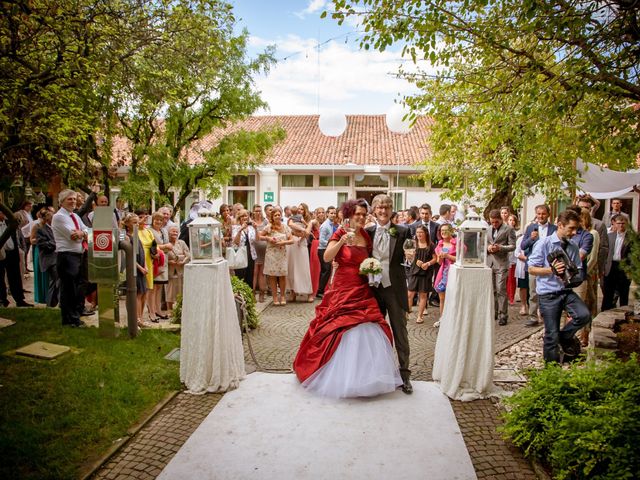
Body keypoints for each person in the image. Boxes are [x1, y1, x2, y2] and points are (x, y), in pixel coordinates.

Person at [293, 199, 402, 398]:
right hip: (342, 288)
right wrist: (342, 240)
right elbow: (326, 257)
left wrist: (372, 268)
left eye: (363, 214)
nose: (360, 217)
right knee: (339, 326)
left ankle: (366, 375)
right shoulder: (340, 233)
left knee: (368, 326)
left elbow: (370, 259)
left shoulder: (366, 237)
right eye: (356, 214)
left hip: (362, 288)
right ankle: (338, 375)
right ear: (349, 215)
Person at [528, 210, 591, 363]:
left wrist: (575, 275)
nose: (574, 232)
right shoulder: (543, 243)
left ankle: (563, 337)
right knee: (551, 335)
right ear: (560, 225)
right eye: (571, 228)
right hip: (548, 294)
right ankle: (551, 372)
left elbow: (578, 269)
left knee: (584, 315)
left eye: (576, 229)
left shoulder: (573, 246)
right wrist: (551, 270)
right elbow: (531, 269)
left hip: (567, 291)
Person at [366, 194, 413, 394]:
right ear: (374, 210)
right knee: (375, 333)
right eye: (380, 208)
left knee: (400, 332)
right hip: (373, 290)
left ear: (391, 210)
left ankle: (404, 375)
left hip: (395, 289)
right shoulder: (367, 233)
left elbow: (409, 256)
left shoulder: (403, 231)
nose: (383, 211)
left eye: (387, 207)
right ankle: (377, 373)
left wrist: (410, 258)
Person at [51, 190, 88, 326]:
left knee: (79, 286)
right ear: (62, 201)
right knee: (69, 289)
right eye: (69, 199)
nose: (73, 201)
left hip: (78, 254)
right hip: (67, 256)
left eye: (74, 199)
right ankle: (70, 319)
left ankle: (74, 315)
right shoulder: (59, 217)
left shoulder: (75, 216)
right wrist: (81, 234)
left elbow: (87, 231)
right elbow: (73, 236)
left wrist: (82, 233)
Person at [521, 204, 557, 327]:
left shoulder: (554, 228)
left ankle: (546, 315)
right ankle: (533, 317)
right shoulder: (531, 228)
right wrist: (531, 239)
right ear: (536, 214)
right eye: (539, 214)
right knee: (533, 292)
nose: (541, 216)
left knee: (547, 291)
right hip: (534, 265)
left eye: (543, 214)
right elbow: (523, 246)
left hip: (548, 266)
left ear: (548, 214)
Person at [487, 209, 517, 326]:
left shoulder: (508, 229)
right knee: (493, 289)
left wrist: (500, 247)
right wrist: (488, 248)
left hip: (502, 263)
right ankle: (494, 312)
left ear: (500, 219)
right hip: (490, 263)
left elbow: (513, 246)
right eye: (492, 222)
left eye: (496, 222)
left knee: (501, 290)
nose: (494, 224)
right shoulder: (488, 229)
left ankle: (503, 314)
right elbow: (483, 243)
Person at [259, 207, 294, 305]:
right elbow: (260, 237)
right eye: (275, 215)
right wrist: (268, 238)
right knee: (272, 276)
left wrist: (284, 242)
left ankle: (282, 296)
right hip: (271, 254)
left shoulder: (285, 227)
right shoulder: (268, 227)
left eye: (279, 215)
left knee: (282, 275)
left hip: (282, 254)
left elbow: (292, 240)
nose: (277, 216)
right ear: (272, 217)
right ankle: (275, 297)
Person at [407, 225, 437, 324]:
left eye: (421, 232)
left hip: (426, 273)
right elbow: (408, 256)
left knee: (423, 295)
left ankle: (419, 316)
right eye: (417, 232)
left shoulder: (431, 245)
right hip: (414, 272)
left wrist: (427, 264)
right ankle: (407, 313)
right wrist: (414, 260)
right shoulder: (413, 243)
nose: (419, 234)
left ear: (425, 233)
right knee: (410, 294)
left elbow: (435, 258)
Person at [601, 214, 632, 311]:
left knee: (624, 293)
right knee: (608, 293)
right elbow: (604, 253)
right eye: (619, 223)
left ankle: (624, 312)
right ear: (614, 223)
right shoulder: (610, 236)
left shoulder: (631, 238)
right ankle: (604, 312)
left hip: (624, 267)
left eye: (623, 223)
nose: (621, 225)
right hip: (611, 266)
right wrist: (603, 267)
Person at [149, 211, 171, 321]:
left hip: (164, 262)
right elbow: (151, 246)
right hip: (155, 262)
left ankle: (158, 310)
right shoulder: (150, 231)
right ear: (152, 220)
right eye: (156, 219)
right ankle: (151, 312)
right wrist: (164, 246)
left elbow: (168, 246)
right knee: (152, 288)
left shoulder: (164, 231)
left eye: (160, 220)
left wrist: (163, 247)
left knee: (159, 288)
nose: (158, 221)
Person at [433, 224, 457, 326]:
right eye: (441, 230)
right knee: (442, 298)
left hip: (454, 273)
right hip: (444, 273)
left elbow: (460, 259)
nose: (443, 232)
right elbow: (439, 263)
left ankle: (453, 319)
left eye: (446, 230)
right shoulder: (440, 244)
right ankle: (442, 318)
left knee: (453, 297)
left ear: (451, 231)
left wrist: (448, 256)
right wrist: (441, 257)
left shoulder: (457, 243)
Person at [35, 208, 59, 307]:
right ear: (48, 219)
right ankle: (50, 303)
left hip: (57, 257)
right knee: (56, 280)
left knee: (56, 280)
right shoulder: (41, 229)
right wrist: (55, 243)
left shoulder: (55, 228)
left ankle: (52, 303)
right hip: (49, 259)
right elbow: (41, 244)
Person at [166, 225, 190, 312]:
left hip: (180, 269)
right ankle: (169, 310)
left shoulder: (181, 243)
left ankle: (180, 310)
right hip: (170, 270)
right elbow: (163, 256)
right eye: (173, 231)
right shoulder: (166, 243)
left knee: (181, 289)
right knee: (170, 290)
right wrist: (169, 262)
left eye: (176, 232)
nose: (175, 233)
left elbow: (188, 254)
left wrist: (183, 261)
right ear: (168, 233)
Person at [317, 206, 338, 298]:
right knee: (325, 271)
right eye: (331, 213)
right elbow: (321, 240)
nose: (333, 215)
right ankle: (319, 291)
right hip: (323, 250)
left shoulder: (331, 224)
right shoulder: (325, 225)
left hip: (327, 249)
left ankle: (322, 290)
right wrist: (331, 244)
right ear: (327, 214)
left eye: (334, 213)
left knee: (327, 270)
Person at [251, 204, 268, 302]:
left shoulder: (265, 222)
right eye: (256, 211)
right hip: (254, 249)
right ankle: (252, 293)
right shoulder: (250, 222)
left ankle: (262, 293)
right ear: (253, 212)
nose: (258, 213)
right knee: (254, 272)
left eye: (259, 211)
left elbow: (269, 232)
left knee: (262, 273)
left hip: (263, 249)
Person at [506, 214, 519, 306]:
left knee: (512, 279)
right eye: (510, 220)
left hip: (514, 258)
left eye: (513, 220)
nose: (511, 221)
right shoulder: (504, 231)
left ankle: (511, 297)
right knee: (506, 279)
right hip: (506, 258)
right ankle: (506, 296)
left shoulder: (518, 233)